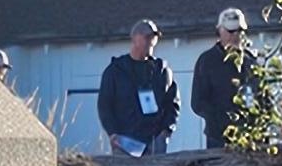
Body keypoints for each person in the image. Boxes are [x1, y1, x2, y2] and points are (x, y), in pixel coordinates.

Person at [97, 20, 182, 157]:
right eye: (147, 37)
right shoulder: (116, 71)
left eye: (154, 38)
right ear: (135, 38)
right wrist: (112, 133)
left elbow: (173, 103)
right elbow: (105, 105)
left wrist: (166, 131)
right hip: (125, 142)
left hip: (155, 142)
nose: (151, 41)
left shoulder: (162, 70)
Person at [189, 8, 265, 148]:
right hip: (219, 137)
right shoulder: (207, 61)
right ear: (220, 31)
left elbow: (262, 96)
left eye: (239, 31)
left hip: (251, 135)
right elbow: (198, 102)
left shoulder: (252, 61)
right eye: (230, 31)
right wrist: (221, 121)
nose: (235, 35)